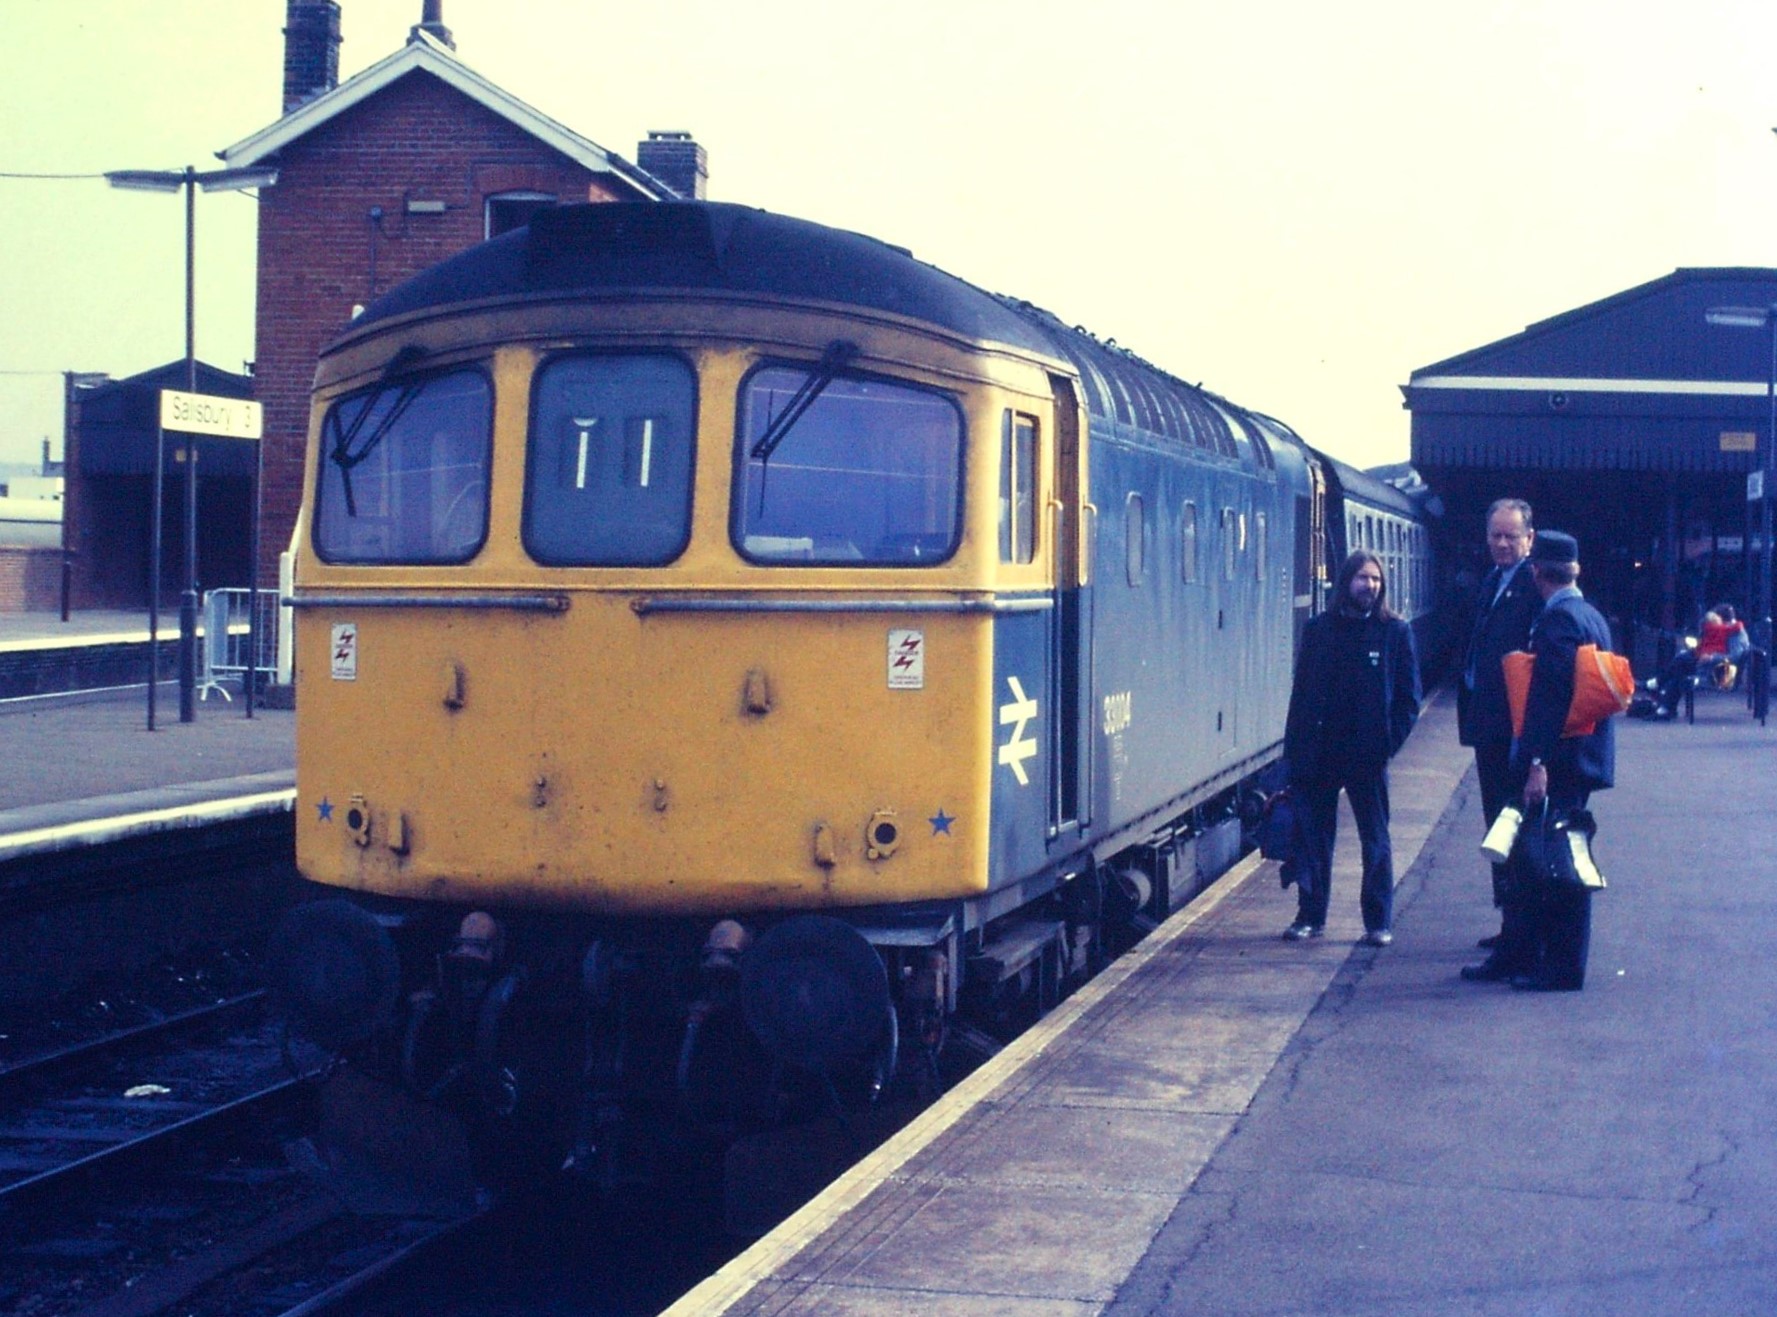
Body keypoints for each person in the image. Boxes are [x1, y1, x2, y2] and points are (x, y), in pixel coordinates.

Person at [1462, 530, 1615, 991]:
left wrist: (1535, 763)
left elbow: (1549, 701)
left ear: (1536, 573)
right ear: (1574, 571)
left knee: (1556, 863)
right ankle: (1526, 953)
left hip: (1561, 762)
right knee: (1545, 858)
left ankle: (1560, 967)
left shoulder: (1558, 623)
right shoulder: (1589, 615)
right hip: (1582, 757)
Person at [1281, 550, 1422, 946]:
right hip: (1320, 752)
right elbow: (1302, 694)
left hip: (1368, 756)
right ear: (1347, 582)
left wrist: (1386, 744)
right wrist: (1293, 752)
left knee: (1375, 839)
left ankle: (1378, 922)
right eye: (1363, 578)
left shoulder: (1395, 632)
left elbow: (1409, 699)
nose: (1370, 586)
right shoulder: (1319, 630)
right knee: (1314, 840)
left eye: (1376, 580)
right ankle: (1311, 917)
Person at [1456, 499, 1541, 949]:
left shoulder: (1531, 587)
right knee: (1496, 825)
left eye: (1511, 536)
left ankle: (1520, 930)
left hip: (1512, 728)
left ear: (1530, 538)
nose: (1502, 543)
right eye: (1496, 535)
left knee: (1513, 825)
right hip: (1488, 725)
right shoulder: (1492, 580)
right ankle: (1509, 921)